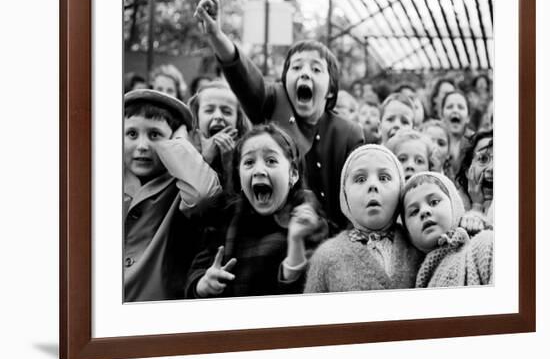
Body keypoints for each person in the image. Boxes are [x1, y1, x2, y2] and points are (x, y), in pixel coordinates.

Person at [194, 0, 364, 234]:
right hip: (274, 235)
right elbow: (245, 76)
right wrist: (216, 36)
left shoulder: (348, 133)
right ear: (285, 81)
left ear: (331, 90)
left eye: (316, 69)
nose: (305, 73)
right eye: (296, 67)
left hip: (332, 240)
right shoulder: (273, 101)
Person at [185, 124, 328, 298]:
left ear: (293, 174)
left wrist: (295, 241)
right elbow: (196, 272)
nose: (259, 171)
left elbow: (311, 292)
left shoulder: (307, 216)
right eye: (249, 162)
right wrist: (203, 284)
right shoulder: (227, 215)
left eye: (271, 161)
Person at [123, 89, 221, 302]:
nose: (142, 146)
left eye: (155, 135)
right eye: (131, 134)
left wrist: (180, 143)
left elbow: (202, 194)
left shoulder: (180, 184)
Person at [304, 145, 423, 293]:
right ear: (344, 195)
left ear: (400, 189)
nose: (372, 185)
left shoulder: (419, 243)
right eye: (360, 179)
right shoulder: (326, 256)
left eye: (384, 178)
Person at [401, 172, 493, 287]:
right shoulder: (410, 279)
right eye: (414, 211)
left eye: (434, 202)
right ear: (408, 233)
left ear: (455, 206)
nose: (424, 211)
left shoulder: (483, 244)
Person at [188, 81, 250, 191]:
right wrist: (205, 160)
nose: (218, 116)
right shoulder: (185, 152)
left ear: (238, 120)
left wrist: (228, 164)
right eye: (209, 110)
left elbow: (235, 203)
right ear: (196, 117)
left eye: (226, 112)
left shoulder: (247, 155)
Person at [455, 129, 494, 226]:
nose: (491, 168)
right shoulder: (452, 207)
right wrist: (477, 206)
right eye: (483, 159)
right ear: (467, 170)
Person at [440, 90, 473, 178]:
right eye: (450, 107)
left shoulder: (475, 143)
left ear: (468, 117)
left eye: (460, 107)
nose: (455, 110)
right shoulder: (433, 141)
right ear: (442, 115)